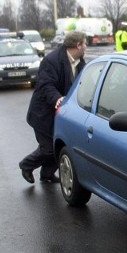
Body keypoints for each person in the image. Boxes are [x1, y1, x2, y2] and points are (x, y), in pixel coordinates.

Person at [19, 31, 88, 184]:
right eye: (84, 43)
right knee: (49, 148)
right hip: (43, 114)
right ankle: (26, 165)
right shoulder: (52, 60)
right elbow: (46, 85)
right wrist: (58, 99)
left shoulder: (80, 62)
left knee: (60, 144)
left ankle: (47, 174)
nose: (86, 47)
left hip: (62, 114)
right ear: (77, 45)